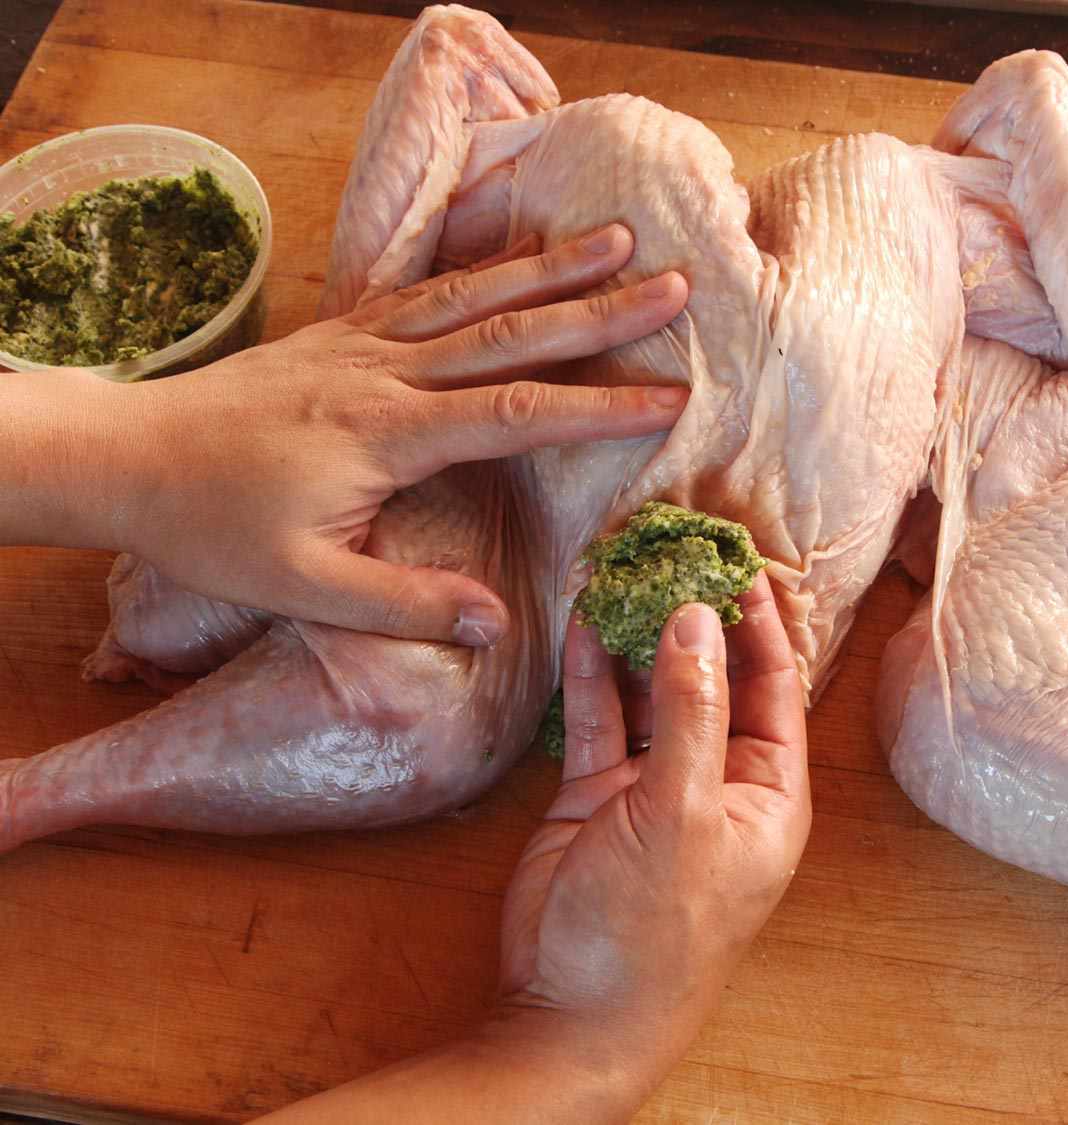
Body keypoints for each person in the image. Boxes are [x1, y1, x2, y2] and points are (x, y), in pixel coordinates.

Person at [1, 227, 812, 1121]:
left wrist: (128, 451)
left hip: (370, 451)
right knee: (417, 702)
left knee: (388, 688)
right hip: (405, 471)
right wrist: (584, 1041)